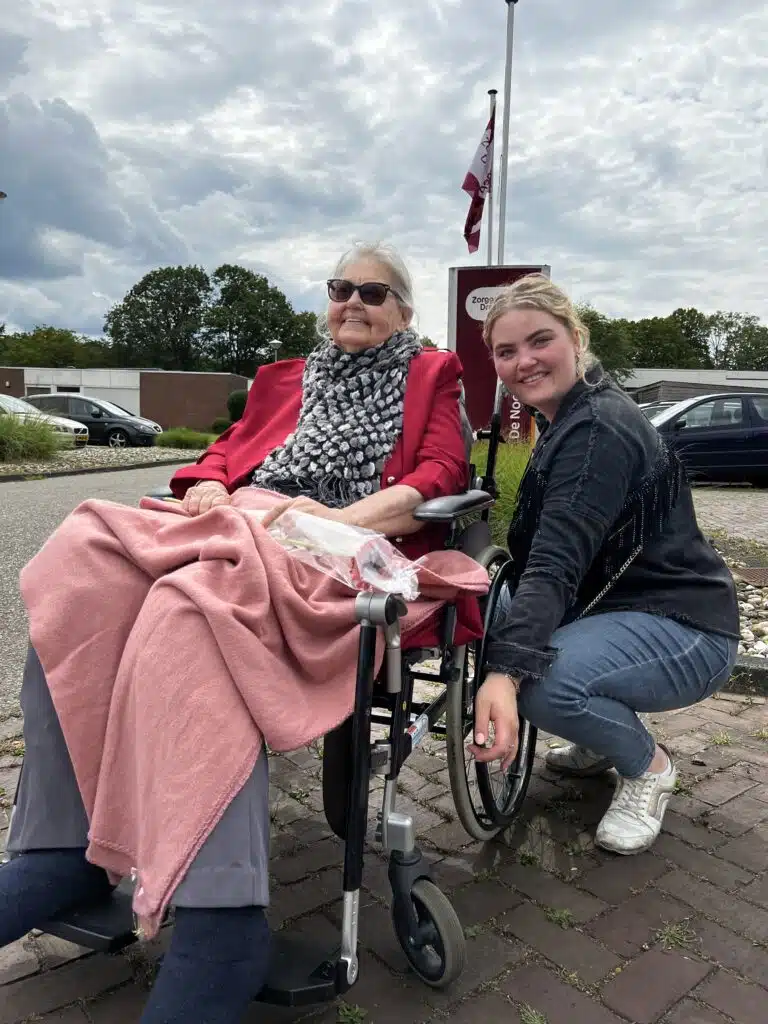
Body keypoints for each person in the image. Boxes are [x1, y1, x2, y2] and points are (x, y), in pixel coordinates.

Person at [1, 244, 475, 1023]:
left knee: (190, 611)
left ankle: (225, 919)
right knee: (77, 569)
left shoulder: (431, 373)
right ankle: (62, 850)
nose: (353, 302)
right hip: (240, 523)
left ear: (403, 311)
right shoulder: (287, 376)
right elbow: (228, 450)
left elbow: (441, 474)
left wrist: (334, 522)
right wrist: (216, 481)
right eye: (340, 289)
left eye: (374, 292)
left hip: (335, 550)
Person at [469, 274, 739, 855]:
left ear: (575, 336)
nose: (524, 362)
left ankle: (648, 766)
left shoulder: (597, 430)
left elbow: (555, 563)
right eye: (506, 351)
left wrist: (503, 673)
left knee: (536, 682)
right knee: (495, 609)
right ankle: (598, 735)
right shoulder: (569, 416)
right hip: (619, 607)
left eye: (540, 341)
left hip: (686, 627)